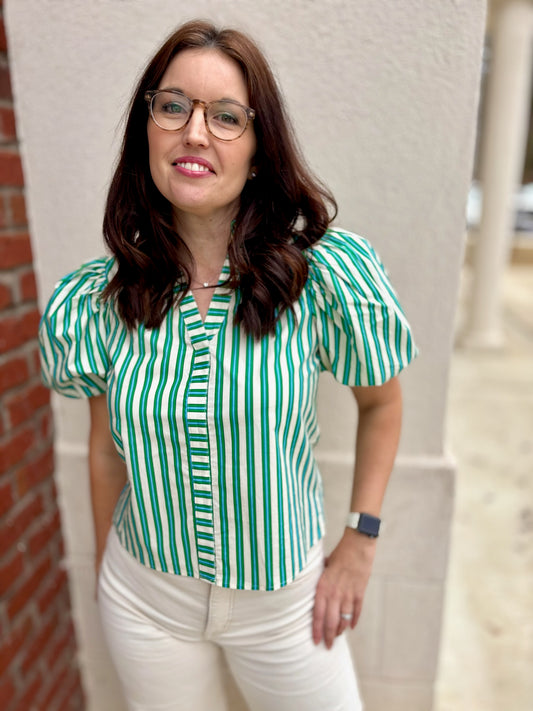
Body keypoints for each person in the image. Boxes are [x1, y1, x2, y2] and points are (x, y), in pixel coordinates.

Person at [39, 19, 417, 711]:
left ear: (258, 146)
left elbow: (381, 404)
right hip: (145, 600)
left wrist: (359, 542)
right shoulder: (103, 297)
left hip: (286, 606)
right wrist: (105, 574)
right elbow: (104, 451)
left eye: (226, 117)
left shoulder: (322, 275)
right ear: (146, 128)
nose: (195, 133)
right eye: (173, 106)